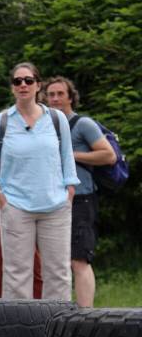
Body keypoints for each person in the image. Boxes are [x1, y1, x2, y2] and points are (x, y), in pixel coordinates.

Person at [0, 63, 78, 300]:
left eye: (28, 80)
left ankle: (58, 331)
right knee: (16, 275)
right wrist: (1, 197)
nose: (23, 85)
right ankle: (19, 334)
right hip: (15, 207)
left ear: (38, 85)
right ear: (12, 88)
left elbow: (67, 159)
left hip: (56, 207)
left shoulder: (56, 119)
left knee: (59, 273)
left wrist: (69, 192)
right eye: (17, 81)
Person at [43, 76, 116, 307]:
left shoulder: (83, 125)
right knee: (56, 261)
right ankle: (57, 314)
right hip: (51, 199)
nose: (54, 99)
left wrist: (71, 155)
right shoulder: (44, 125)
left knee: (79, 259)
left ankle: (86, 316)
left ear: (71, 97)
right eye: (50, 94)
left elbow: (108, 155)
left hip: (81, 199)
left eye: (60, 94)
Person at [0, 178, 43, 298]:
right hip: (1, 217)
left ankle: (40, 314)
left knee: (36, 272)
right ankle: (1, 315)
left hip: (33, 215)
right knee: (0, 273)